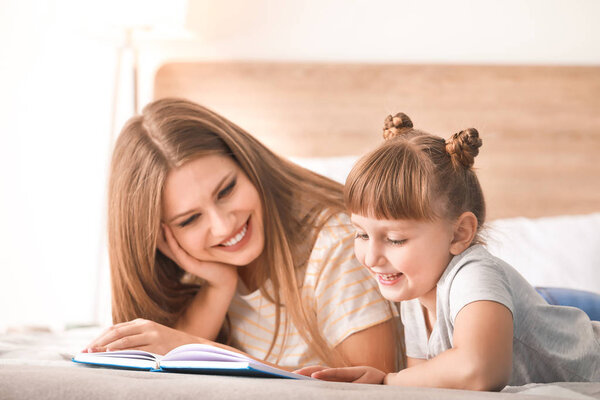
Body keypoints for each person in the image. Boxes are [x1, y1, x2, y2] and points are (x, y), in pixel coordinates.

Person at [84, 98, 398, 372]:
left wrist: (199, 350)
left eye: (227, 190)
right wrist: (219, 287)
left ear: (248, 164)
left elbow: (369, 387)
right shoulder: (195, 265)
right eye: (190, 219)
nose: (223, 226)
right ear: (157, 237)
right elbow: (160, 361)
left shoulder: (337, 244)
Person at [295, 113, 600, 389]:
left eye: (396, 239)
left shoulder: (475, 274)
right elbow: (425, 387)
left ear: (459, 233)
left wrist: (388, 381)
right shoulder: (415, 294)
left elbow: (480, 370)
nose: (371, 258)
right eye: (361, 234)